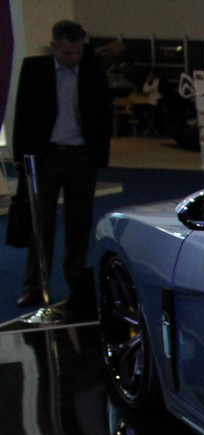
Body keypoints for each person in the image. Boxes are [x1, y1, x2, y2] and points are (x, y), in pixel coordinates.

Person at [11, 19, 113, 310]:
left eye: (78, 52)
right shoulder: (35, 70)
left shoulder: (93, 76)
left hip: (81, 156)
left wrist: (98, 156)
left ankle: (75, 285)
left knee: (79, 224)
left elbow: (103, 117)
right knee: (40, 224)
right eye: (68, 52)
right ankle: (33, 286)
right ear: (54, 46)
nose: (73, 58)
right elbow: (23, 112)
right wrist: (20, 155)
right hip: (47, 155)